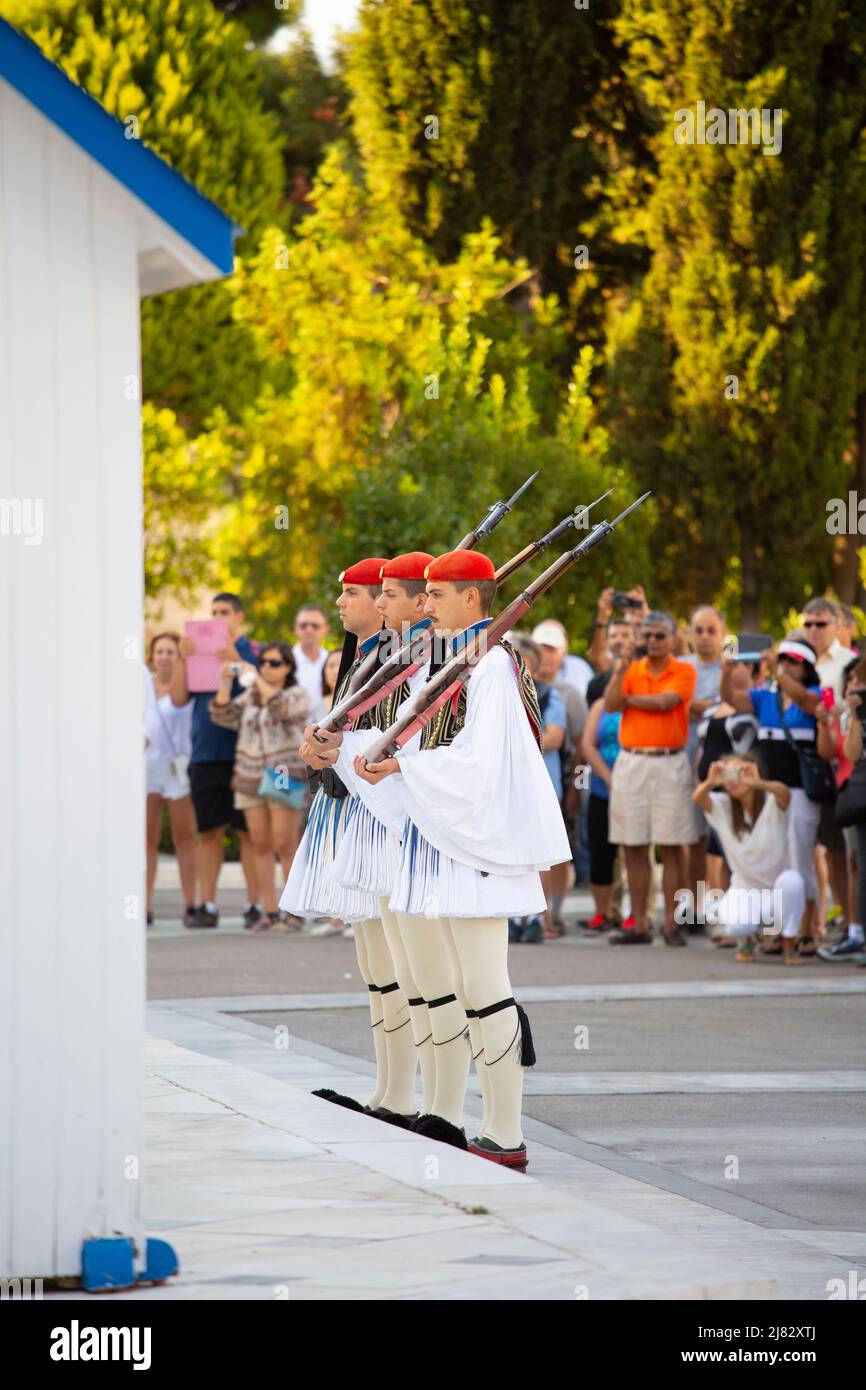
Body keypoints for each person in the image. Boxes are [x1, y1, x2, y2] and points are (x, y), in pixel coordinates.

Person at [349, 549, 571, 1171]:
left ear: (473, 599)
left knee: (483, 982)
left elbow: (479, 761)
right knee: (450, 983)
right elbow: (416, 738)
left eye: (438, 595)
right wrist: (371, 757)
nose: (426, 604)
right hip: (440, 833)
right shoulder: (452, 661)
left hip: (475, 839)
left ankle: (505, 1131)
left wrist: (403, 764)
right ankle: (456, 1115)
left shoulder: (492, 664)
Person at [281, 556, 400, 1111]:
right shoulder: (361, 656)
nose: (339, 603)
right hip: (355, 808)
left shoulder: (394, 657)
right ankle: (388, 1089)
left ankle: (400, 1094)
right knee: (375, 969)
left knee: (395, 968)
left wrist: (332, 748)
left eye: (348, 593)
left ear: (378, 598)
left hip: (381, 813)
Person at [721, 636, 822, 957]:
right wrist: (726, 672)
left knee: (799, 863)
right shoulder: (767, 697)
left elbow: (807, 702)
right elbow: (733, 700)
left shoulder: (812, 694)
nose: (787, 665)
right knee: (779, 862)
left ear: (805, 667)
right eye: (783, 659)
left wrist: (780, 674)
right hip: (768, 795)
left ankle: (807, 928)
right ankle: (781, 931)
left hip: (799, 793)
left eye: (793, 661)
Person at [604, 610, 698, 946]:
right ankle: (640, 923)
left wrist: (631, 699)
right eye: (648, 636)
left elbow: (666, 702)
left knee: (672, 846)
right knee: (633, 845)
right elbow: (611, 704)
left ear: (673, 639)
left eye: (660, 636)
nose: (652, 642)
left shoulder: (684, 669)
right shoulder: (630, 668)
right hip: (632, 761)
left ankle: (673, 923)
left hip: (669, 761)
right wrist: (619, 669)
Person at [170, 593, 260, 929]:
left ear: (239, 617)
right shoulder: (197, 654)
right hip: (206, 754)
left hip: (245, 755)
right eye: (213, 612)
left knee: (248, 833)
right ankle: (207, 904)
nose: (218, 617)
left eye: (224, 612)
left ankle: (255, 905)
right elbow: (179, 698)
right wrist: (182, 659)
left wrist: (236, 659)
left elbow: (260, 689)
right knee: (208, 832)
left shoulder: (254, 651)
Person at [209, 643, 310, 931]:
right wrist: (226, 683)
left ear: (288, 667)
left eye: (275, 663)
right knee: (260, 844)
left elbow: (283, 710)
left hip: (282, 773)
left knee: (284, 842)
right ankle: (268, 910)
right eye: (264, 662)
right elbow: (221, 716)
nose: (267, 667)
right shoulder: (250, 697)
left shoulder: (296, 694)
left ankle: (294, 910)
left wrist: (257, 681)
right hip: (249, 775)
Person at [692, 755, 806, 966]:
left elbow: (785, 793)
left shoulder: (772, 802)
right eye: (728, 774)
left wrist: (758, 783)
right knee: (737, 924)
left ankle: (789, 940)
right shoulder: (723, 807)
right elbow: (698, 799)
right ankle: (746, 940)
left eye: (740, 773)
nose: (734, 780)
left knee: (793, 880)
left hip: (776, 894)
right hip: (745, 892)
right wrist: (710, 782)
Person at [508, 636, 568, 942]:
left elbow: (553, 737)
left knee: (539, 854)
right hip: (507, 786)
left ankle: (538, 918)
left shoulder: (547, 695)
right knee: (510, 852)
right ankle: (513, 916)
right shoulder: (498, 694)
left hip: (540, 784)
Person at [144, 633, 195, 928]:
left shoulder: (184, 682)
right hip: (149, 767)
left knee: (185, 838)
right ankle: (145, 904)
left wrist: (184, 661)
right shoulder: (143, 684)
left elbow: (177, 702)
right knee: (147, 841)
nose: (164, 656)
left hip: (179, 769)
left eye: (170, 652)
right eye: (159, 651)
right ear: (152, 655)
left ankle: (190, 903)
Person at [818, 656, 866, 962]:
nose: (854, 686)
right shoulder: (854, 713)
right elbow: (850, 752)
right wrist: (855, 713)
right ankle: (857, 933)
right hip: (858, 795)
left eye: (859, 681)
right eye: (850, 681)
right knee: (858, 865)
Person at [683, 606, 727, 917]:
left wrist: (696, 705)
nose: (705, 637)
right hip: (682, 761)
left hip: (718, 766)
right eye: (699, 630)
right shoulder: (682, 666)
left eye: (711, 630)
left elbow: (726, 705)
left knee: (721, 838)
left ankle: (723, 904)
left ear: (723, 634)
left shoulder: (730, 668)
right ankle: (696, 907)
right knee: (692, 839)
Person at [580, 694, 622, 931]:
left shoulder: (642, 699)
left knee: (635, 853)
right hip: (601, 788)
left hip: (634, 786)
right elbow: (587, 744)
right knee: (600, 853)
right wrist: (608, 777)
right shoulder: (601, 705)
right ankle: (601, 913)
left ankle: (636, 915)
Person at [587, 585, 649, 674]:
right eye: (613, 636)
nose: (619, 640)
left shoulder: (647, 664)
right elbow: (596, 658)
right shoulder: (610, 667)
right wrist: (602, 617)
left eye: (625, 635)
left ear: (635, 640)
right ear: (607, 642)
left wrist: (645, 610)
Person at [802, 598, 855, 700]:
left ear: (837, 626)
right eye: (808, 625)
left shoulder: (850, 661)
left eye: (820, 624)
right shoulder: (796, 661)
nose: (813, 629)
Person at [292, 604, 330, 706]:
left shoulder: (332, 662)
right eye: (303, 625)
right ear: (296, 628)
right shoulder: (284, 661)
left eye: (315, 626)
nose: (309, 630)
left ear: (326, 629)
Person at [310, 648, 343, 722]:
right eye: (331, 666)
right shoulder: (317, 706)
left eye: (341, 665)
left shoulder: (360, 702)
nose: (336, 671)